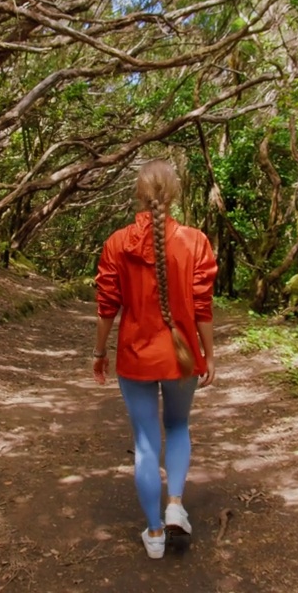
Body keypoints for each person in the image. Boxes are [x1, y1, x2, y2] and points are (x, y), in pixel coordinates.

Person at [92, 159, 217, 560]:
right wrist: (208, 353)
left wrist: (99, 353)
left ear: (138, 194)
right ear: (175, 193)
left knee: (146, 443)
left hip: (135, 356)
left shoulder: (117, 243)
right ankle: (176, 503)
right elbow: (202, 307)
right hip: (182, 357)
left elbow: (107, 307)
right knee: (178, 425)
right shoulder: (195, 241)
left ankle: (154, 532)